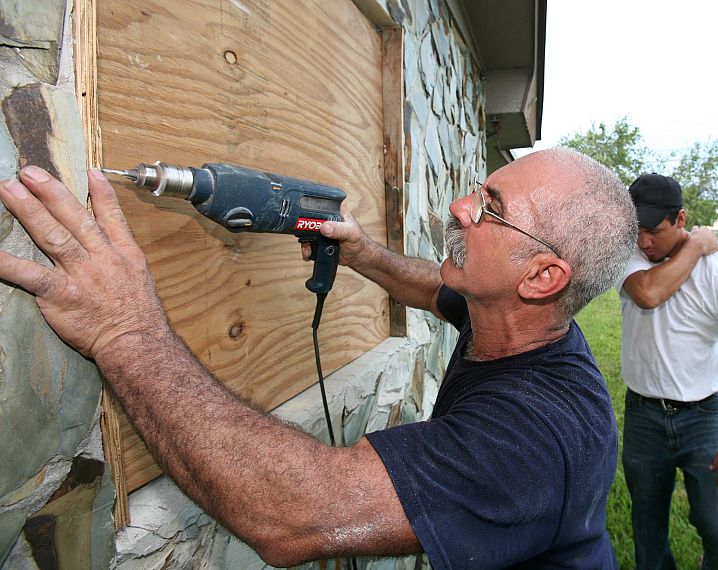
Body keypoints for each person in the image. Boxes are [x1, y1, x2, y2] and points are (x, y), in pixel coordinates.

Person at [0, 148, 636, 569]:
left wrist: (123, 329)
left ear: (543, 276)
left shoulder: (534, 439)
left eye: (491, 208)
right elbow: (434, 290)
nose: (459, 207)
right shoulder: (511, 316)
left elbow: (293, 515)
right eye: (480, 189)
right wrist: (361, 253)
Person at [617, 173, 718, 569]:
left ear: (680, 219)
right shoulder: (630, 257)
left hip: (703, 417)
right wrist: (694, 245)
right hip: (643, 415)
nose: (643, 242)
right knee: (647, 526)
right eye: (636, 231)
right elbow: (648, 293)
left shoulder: (717, 271)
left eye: (653, 231)